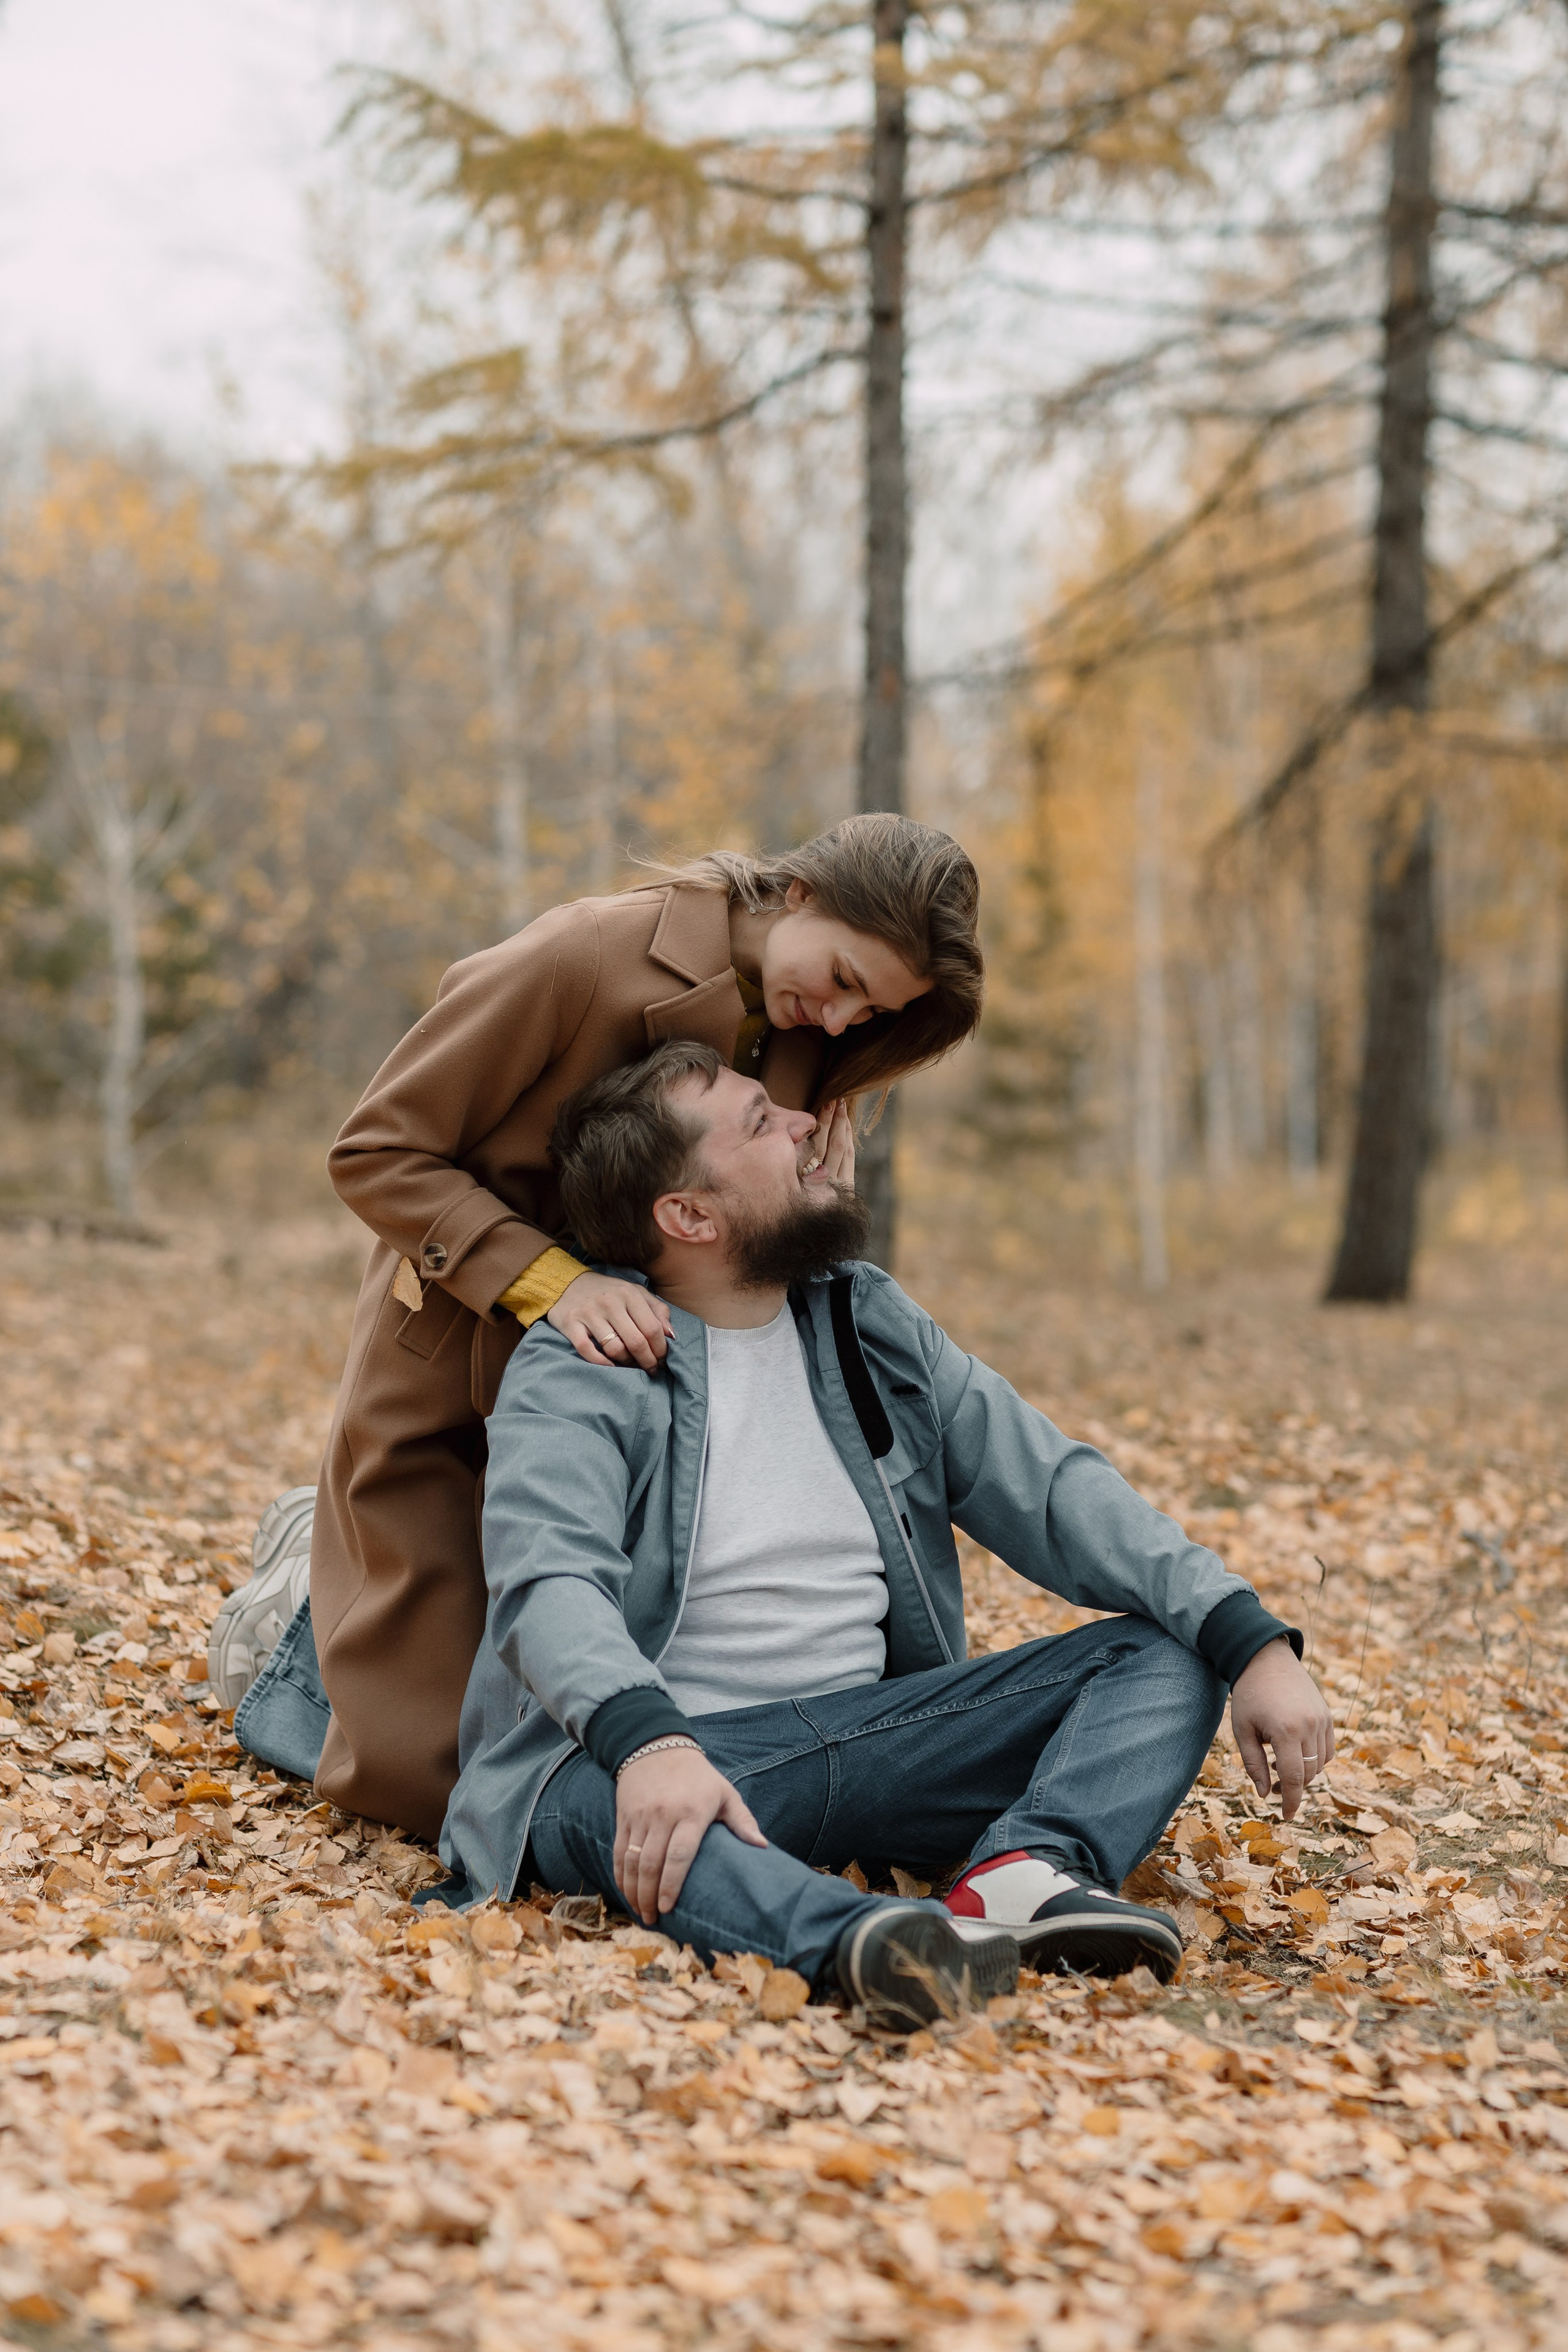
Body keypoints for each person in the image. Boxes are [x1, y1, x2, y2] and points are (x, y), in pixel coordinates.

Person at [434, 1041, 1334, 2027]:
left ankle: (1021, 1876)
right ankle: (854, 1943)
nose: (805, 1124)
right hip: (658, 1761)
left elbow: (1055, 1491)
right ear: (688, 1216)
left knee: (1169, 1650)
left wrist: (1248, 1637)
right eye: (760, 1124)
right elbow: (548, 1580)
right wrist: (649, 1745)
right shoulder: (584, 1364)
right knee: (597, 1805)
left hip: (882, 1742)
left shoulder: (864, 1321)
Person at [213, 818, 985, 1839]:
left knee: (594, 1758)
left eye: (871, 1008)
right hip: (467, 1364)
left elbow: (738, 1227)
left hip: (654, 1398)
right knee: (436, 1787)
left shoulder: (813, 1036)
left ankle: (334, 1593)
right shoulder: (582, 954)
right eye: (842, 977)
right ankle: (295, 1606)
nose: (840, 1020)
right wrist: (550, 1282)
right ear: (800, 893)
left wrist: (814, 1212)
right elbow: (377, 1149)